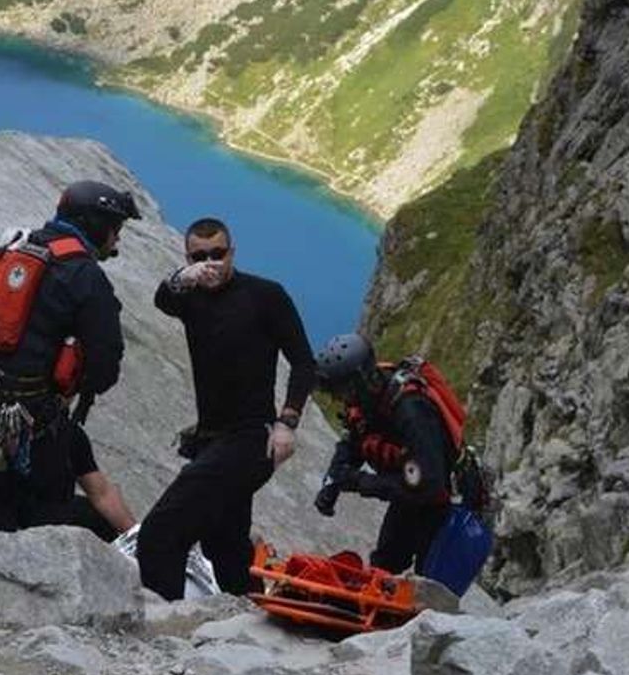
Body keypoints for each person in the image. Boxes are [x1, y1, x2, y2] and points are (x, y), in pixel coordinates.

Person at [0, 180, 139, 540]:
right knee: (46, 516)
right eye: (116, 229)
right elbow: (106, 361)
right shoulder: (83, 273)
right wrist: (72, 387)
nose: (117, 240)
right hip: (36, 420)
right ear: (94, 223)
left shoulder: (15, 249)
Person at [137, 217, 316, 601]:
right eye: (200, 256)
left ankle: (165, 625)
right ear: (188, 258)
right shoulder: (190, 297)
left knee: (160, 533)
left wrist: (287, 422)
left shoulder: (265, 295)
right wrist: (182, 277)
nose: (211, 263)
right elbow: (161, 298)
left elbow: (304, 362)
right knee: (226, 546)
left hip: (252, 439)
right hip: (210, 439)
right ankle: (252, 615)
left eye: (218, 254)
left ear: (232, 253)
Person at [312, 333, 456, 575]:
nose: (339, 398)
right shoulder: (366, 400)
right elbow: (353, 443)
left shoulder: (412, 411)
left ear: (361, 380)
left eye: (343, 390)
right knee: (384, 567)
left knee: (431, 583)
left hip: (445, 504)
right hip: (410, 493)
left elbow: (430, 484)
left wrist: (361, 482)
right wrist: (332, 483)